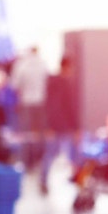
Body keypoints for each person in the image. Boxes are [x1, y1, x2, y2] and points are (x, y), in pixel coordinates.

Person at [42, 55, 80, 192]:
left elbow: (49, 106)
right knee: (71, 154)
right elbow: (69, 107)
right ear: (68, 67)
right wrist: (76, 127)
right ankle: (77, 179)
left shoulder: (52, 82)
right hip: (63, 126)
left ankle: (44, 181)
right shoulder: (65, 84)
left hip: (56, 125)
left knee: (51, 154)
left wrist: (49, 125)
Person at [10, 45, 49, 169]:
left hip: (26, 102)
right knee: (38, 134)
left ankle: (27, 161)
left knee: (26, 134)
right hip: (41, 103)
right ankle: (38, 159)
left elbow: (14, 85)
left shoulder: (22, 65)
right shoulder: (44, 64)